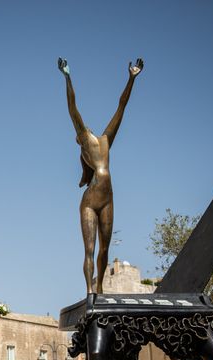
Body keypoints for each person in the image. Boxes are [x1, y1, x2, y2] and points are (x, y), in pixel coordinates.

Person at [57, 57, 143, 317]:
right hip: (90, 200)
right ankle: (89, 292)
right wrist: (67, 77)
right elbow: (73, 108)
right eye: (80, 133)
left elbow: (122, 106)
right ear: (80, 138)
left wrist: (131, 78)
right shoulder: (85, 140)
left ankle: (101, 285)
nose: (84, 130)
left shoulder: (107, 139)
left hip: (108, 198)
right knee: (90, 249)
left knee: (105, 249)